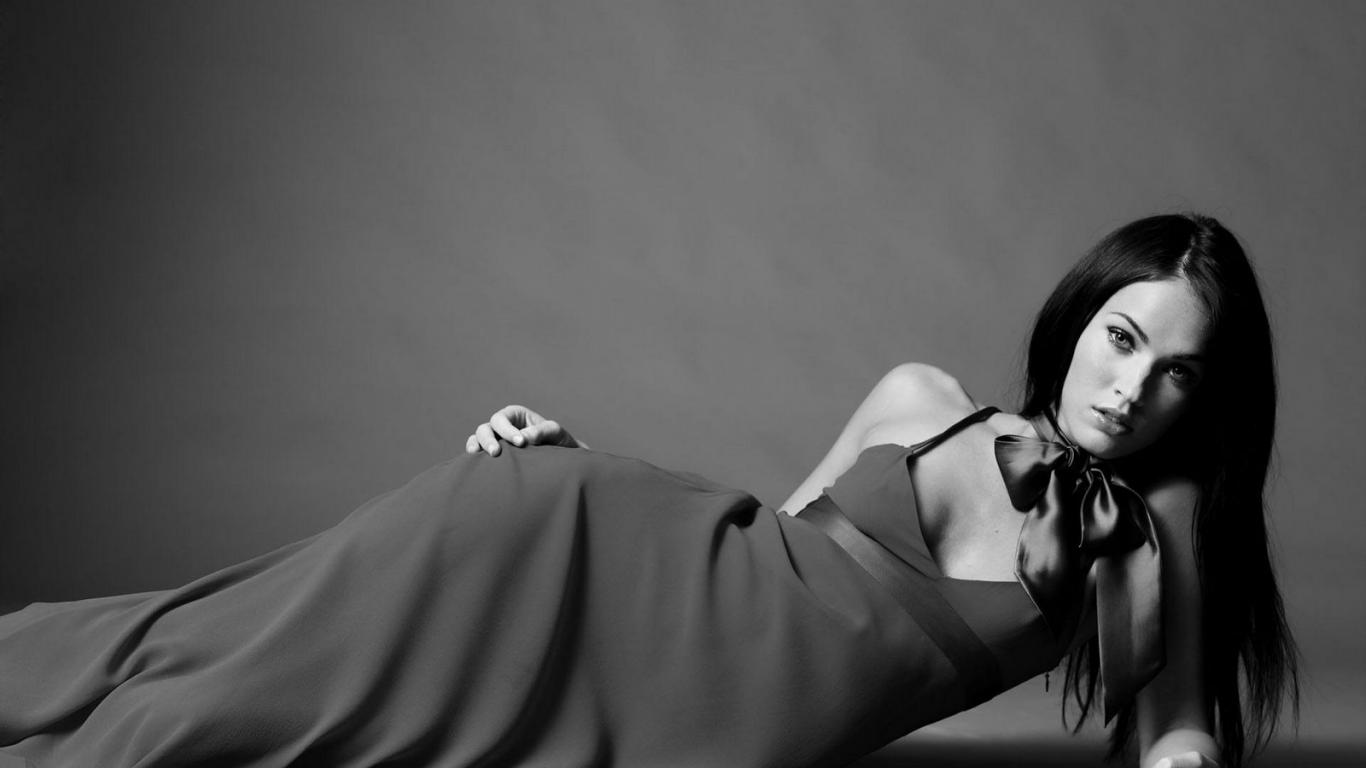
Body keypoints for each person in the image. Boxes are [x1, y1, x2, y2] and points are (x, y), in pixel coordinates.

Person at [0, 213, 1297, 768]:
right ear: (1079, 316)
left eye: (1177, 372)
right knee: (249, 666)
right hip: (572, 545)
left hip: (690, 726)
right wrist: (569, 459)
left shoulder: (1151, 535)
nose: (1130, 387)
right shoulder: (922, 396)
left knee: (284, 715)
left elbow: (1174, 729)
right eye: (1121, 338)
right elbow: (768, 545)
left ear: (1206, 401)